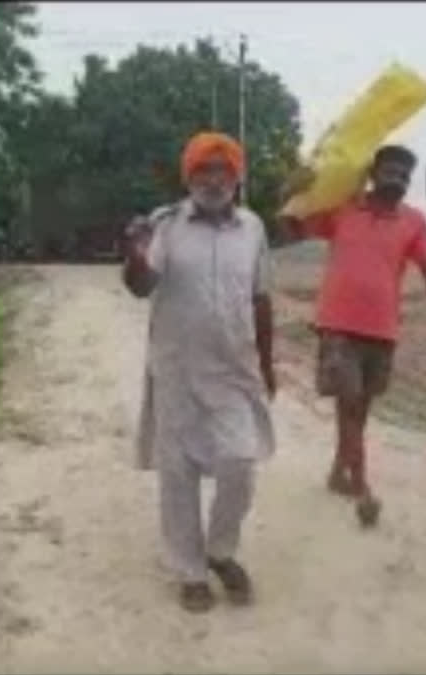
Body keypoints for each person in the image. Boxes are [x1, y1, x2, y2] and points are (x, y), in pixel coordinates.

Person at [123, 131, 276, 613]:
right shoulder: (165, 226)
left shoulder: (252, 228)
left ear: (237, 176)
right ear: (189, 177)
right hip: (177, 371)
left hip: (235, 371)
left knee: (240, 463)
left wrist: (268, 364)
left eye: (223, 170)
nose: (214, 180)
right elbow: (141, 286)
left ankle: (220, 550)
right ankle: (189, 572)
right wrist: (134, 253)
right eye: (203, 171)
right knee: (179, 474)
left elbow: (261, 297)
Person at [277, 145, 426, 528]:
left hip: (382, 331)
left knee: (360, 409)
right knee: (348, 402)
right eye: (391, 170)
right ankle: (362, 487)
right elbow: (291, 227)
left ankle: (337, 472)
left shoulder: (413, 222)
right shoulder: (343, 208)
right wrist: (289, 192)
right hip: (338, 327)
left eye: (405, 174)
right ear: (373, 173)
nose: (398, 178)